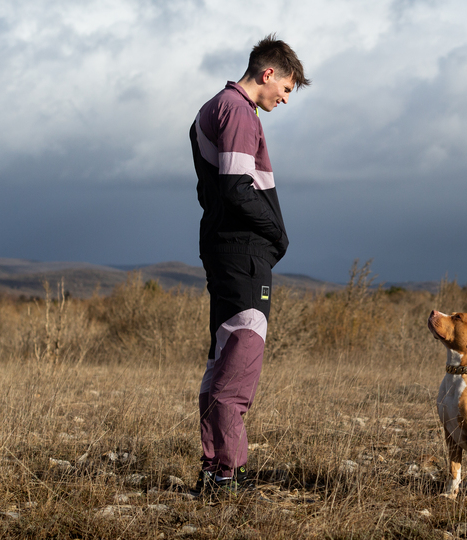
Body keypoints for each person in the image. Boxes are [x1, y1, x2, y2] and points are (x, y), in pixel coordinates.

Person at [188, 34, 310, 495]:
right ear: (268, 73)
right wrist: (277, 233)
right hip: (242, 253)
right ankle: (227, 474)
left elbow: (210, 192)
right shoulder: (237, 110)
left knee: (222, 356)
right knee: (241, 355)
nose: (285, 99)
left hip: (225, 248)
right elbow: (237, 187)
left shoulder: (212, 108)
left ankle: (213, 469)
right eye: (286, 89)